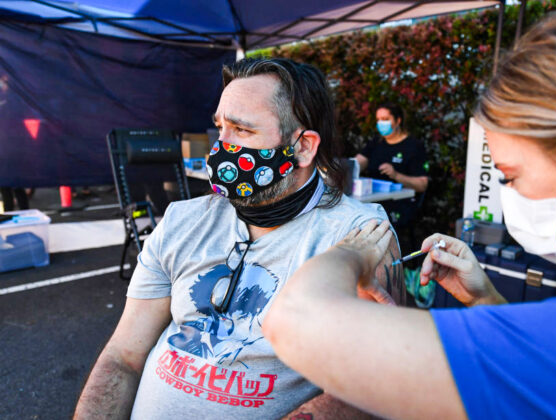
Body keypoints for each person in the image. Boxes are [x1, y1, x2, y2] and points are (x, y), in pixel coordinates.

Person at [262, 1, 556, 419]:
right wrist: (486, 298)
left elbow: (297, 319)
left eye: (510, 176)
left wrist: (354, 252)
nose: (510, 197)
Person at [74, 58, 405, 419]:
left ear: (303, 148)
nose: (219, 148)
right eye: (220, 128)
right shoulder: (183, 220)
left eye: (242, 131)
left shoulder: (359, 236)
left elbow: (368, 391)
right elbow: (123, 355)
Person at [354, 103, 429, 229]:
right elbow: (357, 163)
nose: (381, 123)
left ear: (398, 120)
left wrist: (396, 175)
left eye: (385, 119)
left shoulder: (413, 146)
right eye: (378, 120)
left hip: (399, 205)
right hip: (373, 204)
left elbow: (422, 184)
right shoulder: (376, 143)